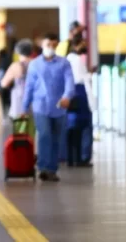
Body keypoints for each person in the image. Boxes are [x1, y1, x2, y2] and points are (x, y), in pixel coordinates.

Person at [22, 33, 75, 182]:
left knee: (57, 138)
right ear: (42, 45)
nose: (50, 48)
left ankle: (52, 169)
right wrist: (24, 107)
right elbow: (29, 87)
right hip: (41, 106)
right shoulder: (35, 64)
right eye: (48, 45)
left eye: (53, 45)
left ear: (57, 46)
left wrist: (67, 96)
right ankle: (43, 167)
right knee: (44, 135)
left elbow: (69, 82)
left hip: (59, 107)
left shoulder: (64, 63)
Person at [65, 36, 95, 167]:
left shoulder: (66, 59)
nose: (85, 47)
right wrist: (90, 73)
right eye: (83, 44)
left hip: (70, 95)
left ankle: (72, 157)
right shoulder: (77, 60)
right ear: (76, 45)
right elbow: (82, 78)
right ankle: (83, 157)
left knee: (72, 128)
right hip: (81, 94)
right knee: (85, 127)